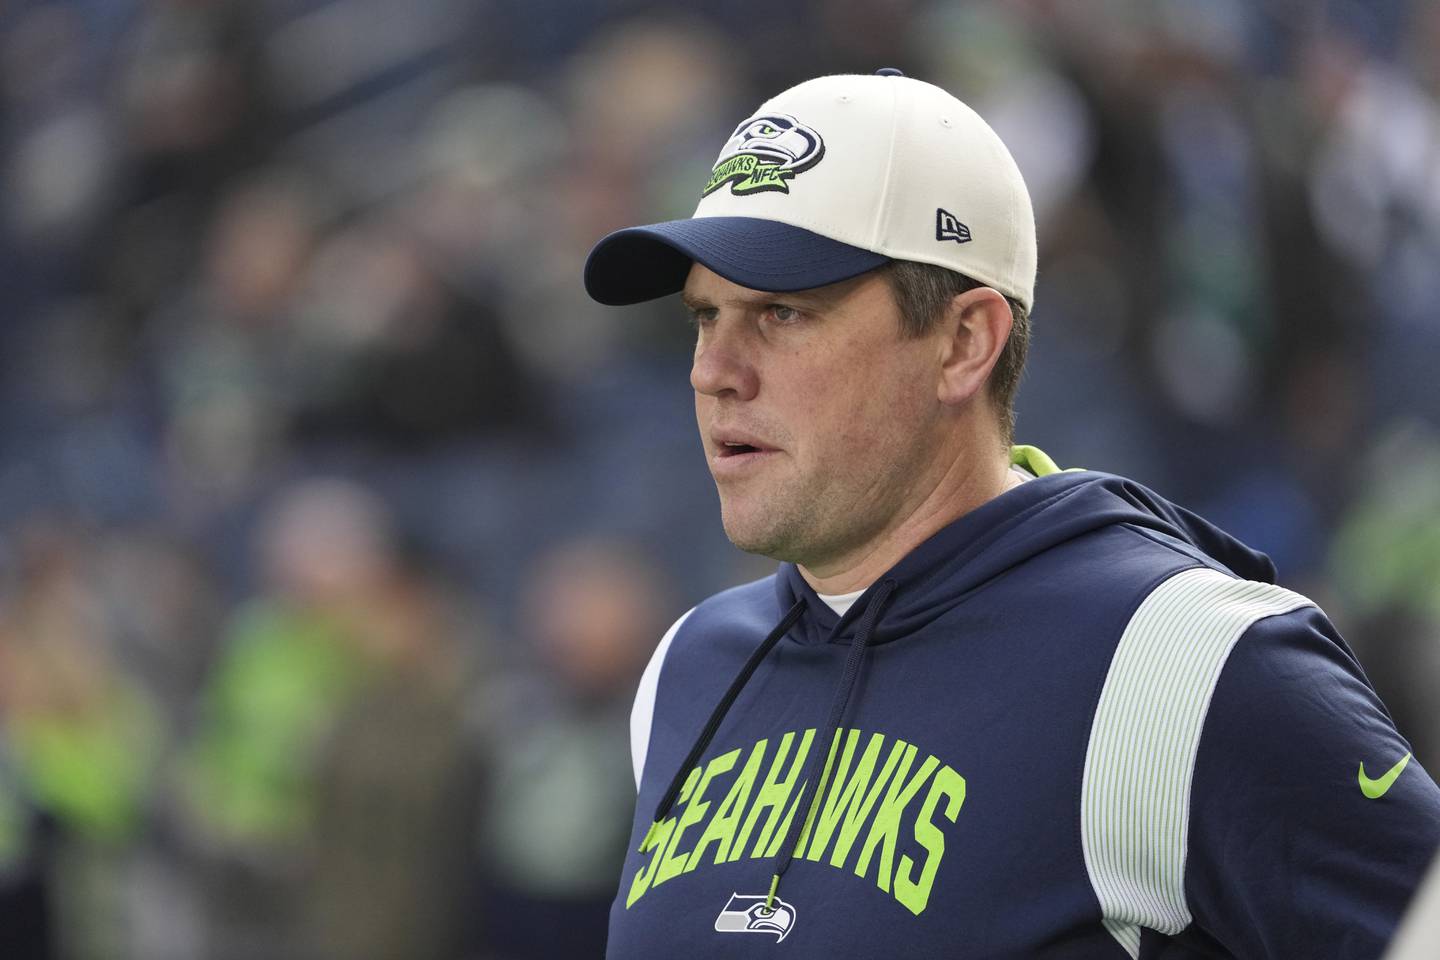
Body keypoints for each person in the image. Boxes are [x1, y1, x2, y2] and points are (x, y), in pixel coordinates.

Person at [582, 70, 1440, 958]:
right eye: (705, 316)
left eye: (782, 313)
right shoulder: (686, 667)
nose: (713, 370)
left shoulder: (1185, 659)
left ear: (964, 343)